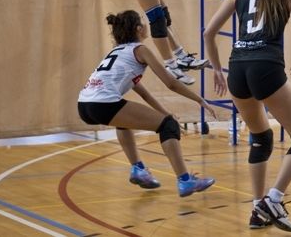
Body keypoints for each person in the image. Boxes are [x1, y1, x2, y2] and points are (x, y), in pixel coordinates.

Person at [203, 0, 291, 232]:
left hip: (237, 70)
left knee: (261, 139)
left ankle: (257, 209)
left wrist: (216, 69)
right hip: (266, 68)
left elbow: (208, 33)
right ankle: (274, 199)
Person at [78, 10, 217, 197]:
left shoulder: (117, 52)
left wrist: (165, 112)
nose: (146, 26)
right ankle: (185, 180)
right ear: (138, 29)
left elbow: (142, 92)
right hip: (103, 103)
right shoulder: (140, 50)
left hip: (84, 105)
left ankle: (138, 169)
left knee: (126, 120)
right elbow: (171, 83)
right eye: (143, 22)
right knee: (169, 127)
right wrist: (199, 99)